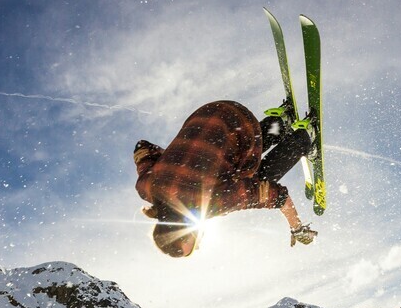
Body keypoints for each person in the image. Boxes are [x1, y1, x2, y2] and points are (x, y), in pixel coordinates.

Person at [134, 100, 318, 258]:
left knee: (257, 178)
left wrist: (297, 228)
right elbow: (141, 147)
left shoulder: (212, 202)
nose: (199, 245)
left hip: (244, 124)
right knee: (229, 162)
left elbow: (275, 195)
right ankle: (279, 122)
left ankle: (304, 138)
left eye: (193, 244)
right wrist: (182, 161)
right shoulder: (146, 187)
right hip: (210, 111)